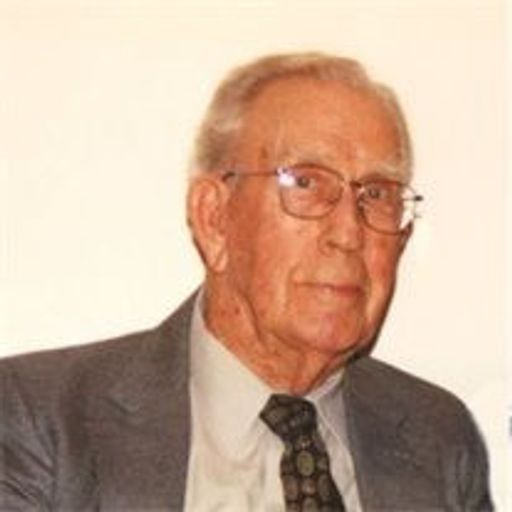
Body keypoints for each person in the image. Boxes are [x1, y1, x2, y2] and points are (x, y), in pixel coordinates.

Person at [0, 52, 492, 511]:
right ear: (214, 218)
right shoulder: (43, 421)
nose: (348, 233)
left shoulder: (439, 438)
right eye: (306, 182)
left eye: (378, 194)